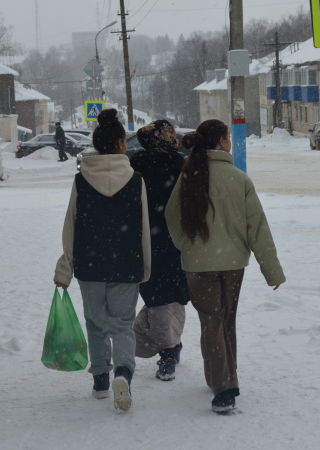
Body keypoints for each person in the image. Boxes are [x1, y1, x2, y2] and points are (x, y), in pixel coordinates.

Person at [165, 119, 286, 415]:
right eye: (228, 138)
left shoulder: (188, 176)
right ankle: (224, 386)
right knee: (224, 320)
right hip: (233, 264)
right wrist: (271, 269)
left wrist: (187, 246)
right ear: (220, 142)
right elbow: (257, 227)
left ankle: (219, 378)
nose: (230, 142)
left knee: (212, 321)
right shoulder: (238, 179)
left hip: (199, 265)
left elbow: (171, 216)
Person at [53, 108, 151, 412]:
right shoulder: (136, 180)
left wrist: (65, 267)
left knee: (95, 324)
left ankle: (99, 380)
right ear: (122, 143)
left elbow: (71, 224)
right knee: (123, 325)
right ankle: (123, 373)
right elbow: (144, 228)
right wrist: (144, 267)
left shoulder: (81, 180)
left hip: (90, 264)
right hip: (126, 263)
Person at [128, 120, 190, 381]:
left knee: (157, 298)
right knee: (172, 296)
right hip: (176, 243)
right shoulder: (181, 165)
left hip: (146, 244)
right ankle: (169, 351)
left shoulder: (135, 166)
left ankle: (170, 347)